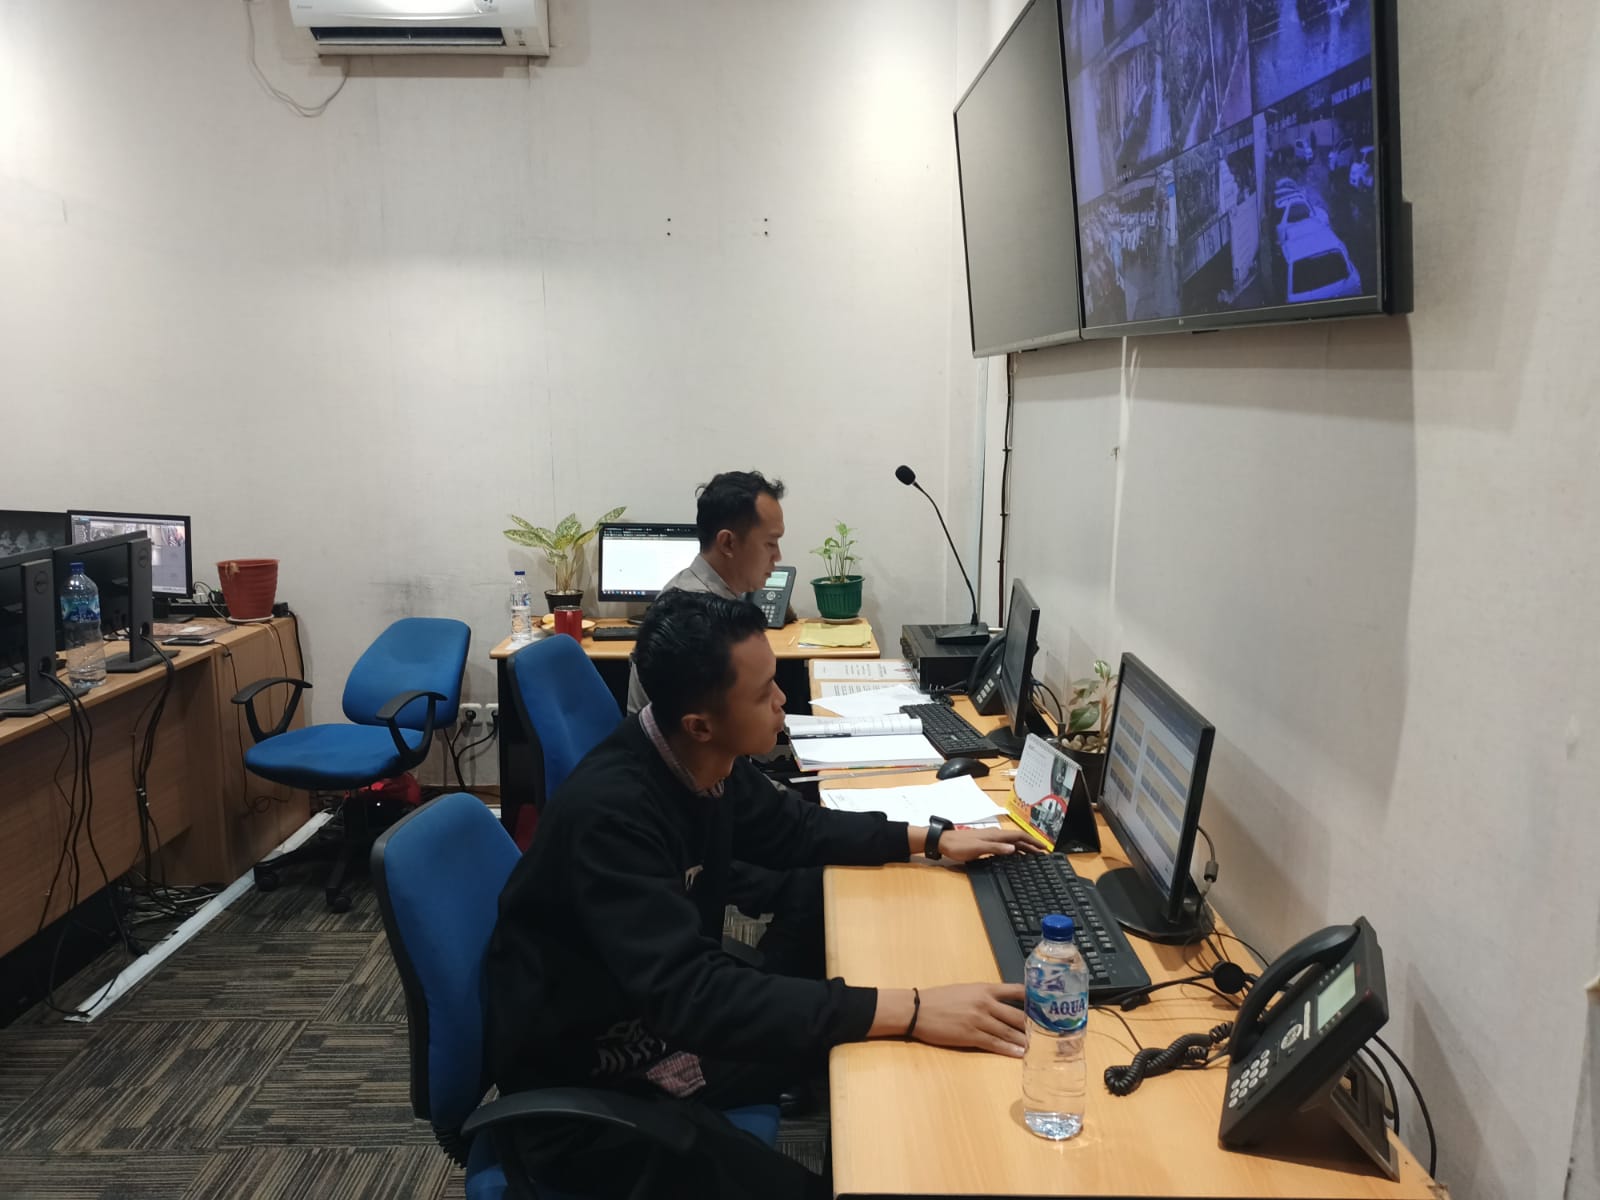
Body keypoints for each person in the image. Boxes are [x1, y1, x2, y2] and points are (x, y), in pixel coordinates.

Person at [486, 591, 1037, 1198]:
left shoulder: (702, 760)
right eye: (762, 693)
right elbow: (693, 996)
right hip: (592, 1088)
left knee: (874, 1049)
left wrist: (931, 839)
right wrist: (911, 1008)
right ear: (700, 723)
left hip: (660, 1026)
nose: (781, 701)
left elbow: (794, 829)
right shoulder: (613, 818)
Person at [625, 468, 786, 715]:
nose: (778, 556)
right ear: (728, 543)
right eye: (770, 543)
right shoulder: (693, 618)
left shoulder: (701, 592)